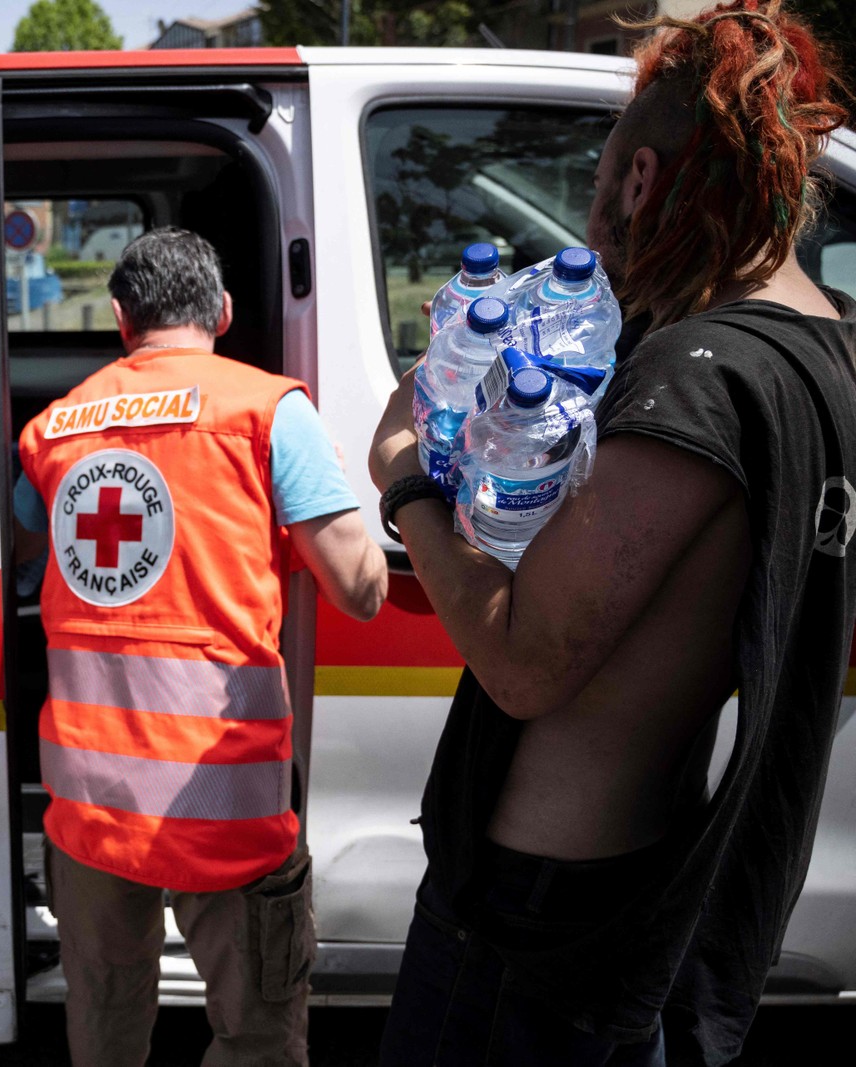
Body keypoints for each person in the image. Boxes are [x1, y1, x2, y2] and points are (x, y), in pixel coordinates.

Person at [367, 3, 856, 1064]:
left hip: (536, 924)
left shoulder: (701, 382)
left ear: (638, 179)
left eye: (598, 187)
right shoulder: (824, 349)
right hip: (631, 880)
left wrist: (404, 477)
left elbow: (525, 661)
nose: (593, 223)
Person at [14, 227, 387, 1066]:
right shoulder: (267, 411)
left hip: (92, 806)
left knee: (103, 1031)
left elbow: (24, 545)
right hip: (225, 804)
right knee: (256, 1036)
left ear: (119, 318)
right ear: (222, 310)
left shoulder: (52, 431)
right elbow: (361, 591)